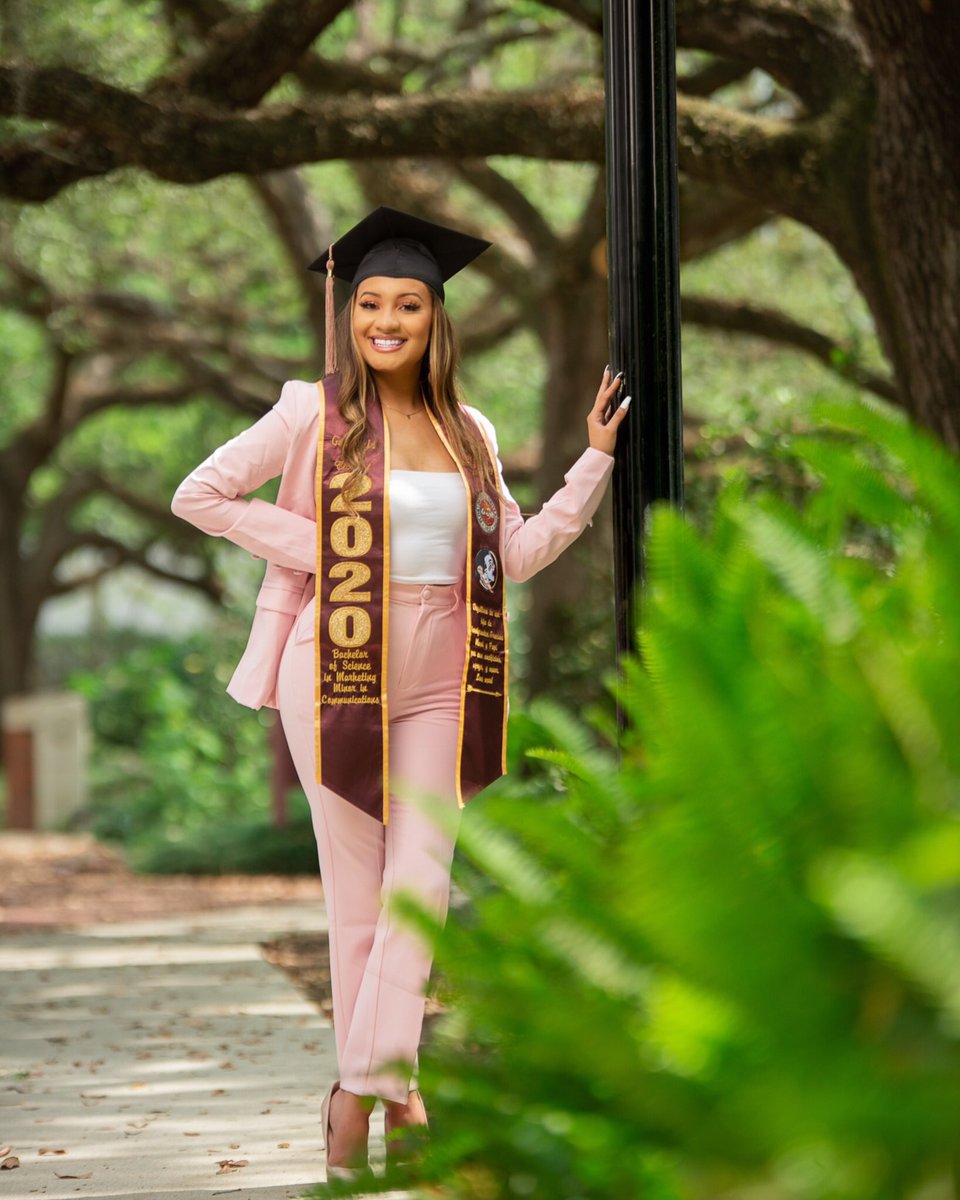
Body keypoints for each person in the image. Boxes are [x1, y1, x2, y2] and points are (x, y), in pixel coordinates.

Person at [170, 206, 630, 1181]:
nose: (386, 320)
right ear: (349, 314)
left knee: (419, 888)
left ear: (435, 318)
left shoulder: (470, 431)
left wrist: (593, 462)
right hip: (335, 660)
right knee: (358, 898)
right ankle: (396, 1092)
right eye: (370, 302)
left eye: (408, 304)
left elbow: (515, 554)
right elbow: (199, 494)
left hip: (442, 672)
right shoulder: (310, 412)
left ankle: (358, 1092)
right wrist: (337, 551)